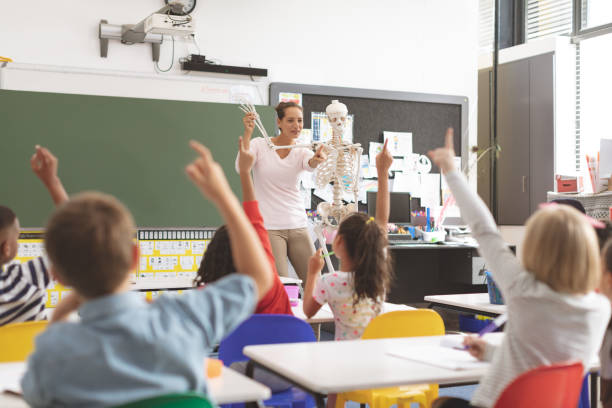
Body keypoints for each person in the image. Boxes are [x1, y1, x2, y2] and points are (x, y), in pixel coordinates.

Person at [21, 140, 273, 408]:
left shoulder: (53, 353)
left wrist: (59, 317)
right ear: (135, 257)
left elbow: (36, 399)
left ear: (58, 276)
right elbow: (258, 277)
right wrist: (224, 196)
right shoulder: (184, 318)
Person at [429, 129, 610, 408]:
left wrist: (451, 171)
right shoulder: (599, 309)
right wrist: (491, 353)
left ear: (536, 246)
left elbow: (484, 230)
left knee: (441, 403)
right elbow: (547, 366)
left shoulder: (522, 289)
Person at [194, 135, 292, 315]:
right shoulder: (270, 283)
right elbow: (253, 215)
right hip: (286, 341)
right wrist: (246, 172)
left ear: (213, 256)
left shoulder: (213, 301)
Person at [238, 102, 326, 281]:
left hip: (297, 224)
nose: (297, 126)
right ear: (279, 122)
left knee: (315, 282)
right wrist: (247, 133)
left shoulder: (301, 149)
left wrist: (316, 160)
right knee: (281, 285)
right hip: (270, 227)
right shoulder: (259, 144)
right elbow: (241, 166)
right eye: (290, 120)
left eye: (300, 121)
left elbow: (309, 164)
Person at [0, 146, 68, 326]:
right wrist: (52, 182)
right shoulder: (24, 281)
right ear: (6, 247)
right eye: (18, 236)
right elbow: (75, 235)